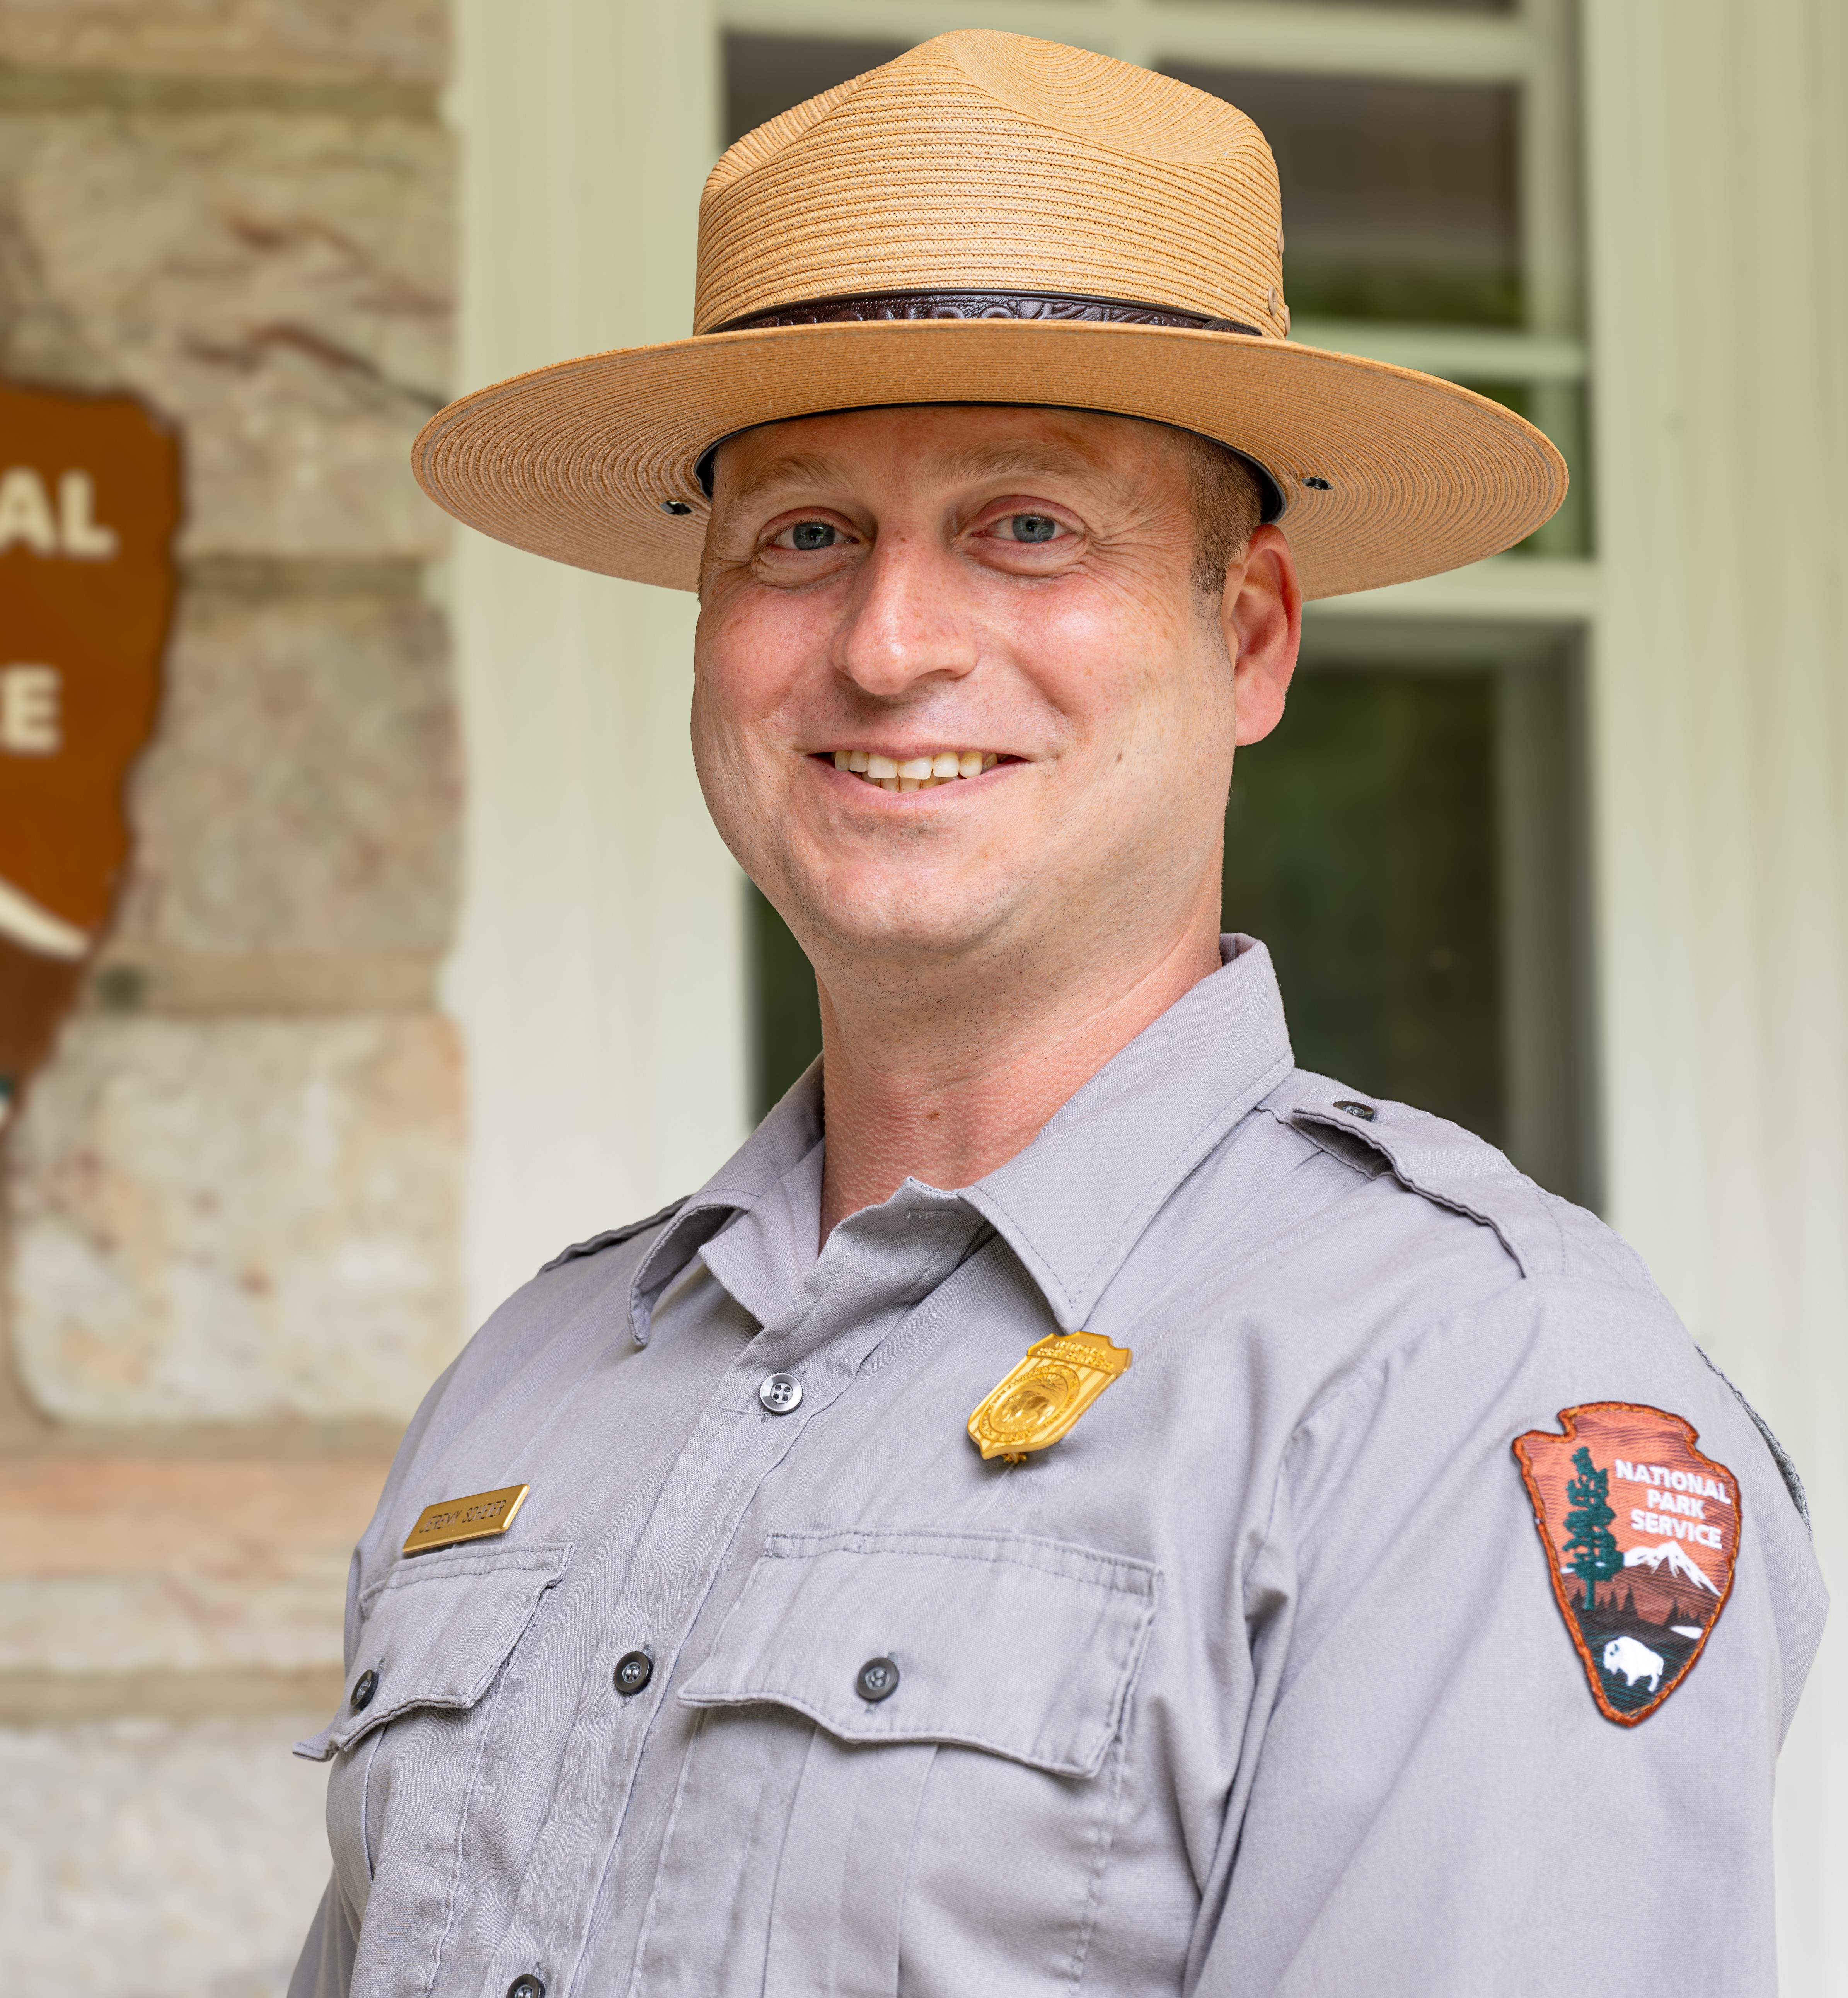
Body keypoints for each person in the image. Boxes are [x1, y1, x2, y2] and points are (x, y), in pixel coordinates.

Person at [287, 31, 1823, 1997]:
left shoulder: (1459, 1386)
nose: (887, 640)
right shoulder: (537, 1377)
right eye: (803, 534)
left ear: (1248, 635)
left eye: (1027, 526)